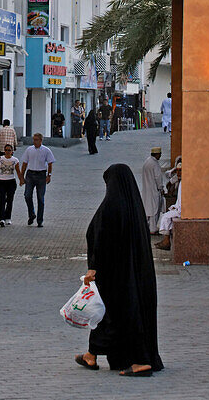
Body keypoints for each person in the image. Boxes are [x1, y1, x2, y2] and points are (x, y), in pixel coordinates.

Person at [75, 163, 164, 377]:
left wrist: (93, 268)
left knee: (112, 314)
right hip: (136, 276)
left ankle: (139, 361)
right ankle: (92, 354)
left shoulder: (111, 207)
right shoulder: (135, 208)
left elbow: (99, 236)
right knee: (108, 315)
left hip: (115, 275)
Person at [20, 133, 55, 227]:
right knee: (27, 195)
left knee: (40, 198)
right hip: (30, 174)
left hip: (41, 175)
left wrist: (49, 175)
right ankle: (31, 214)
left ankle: (40, 220)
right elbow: (24, 163)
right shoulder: (29, 149)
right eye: (34, 139)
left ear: (40, 140)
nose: (34, 141)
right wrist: (21, 176)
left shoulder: (46, 150)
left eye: (36, 140)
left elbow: (50, 163)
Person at [157, 160, 182, 250]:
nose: (178, 173)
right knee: (166, 216)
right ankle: (166, 241)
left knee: (165, 217)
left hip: (182, 209)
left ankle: (166, 241)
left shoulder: (184, 183)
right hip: (178, 207)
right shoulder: (180, 181)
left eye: (180, 171)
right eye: (177, 171)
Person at [141, 147, 165, 234]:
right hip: (154, 190)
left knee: (148, 208)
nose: (161, 156)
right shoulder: (155, 164)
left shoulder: (147, 161)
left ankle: (147, 227)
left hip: (147, 190)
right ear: (157, 154)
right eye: (160, 154)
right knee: (154, 209)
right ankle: (153, 229)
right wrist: (161, 188)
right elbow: (158, 177)